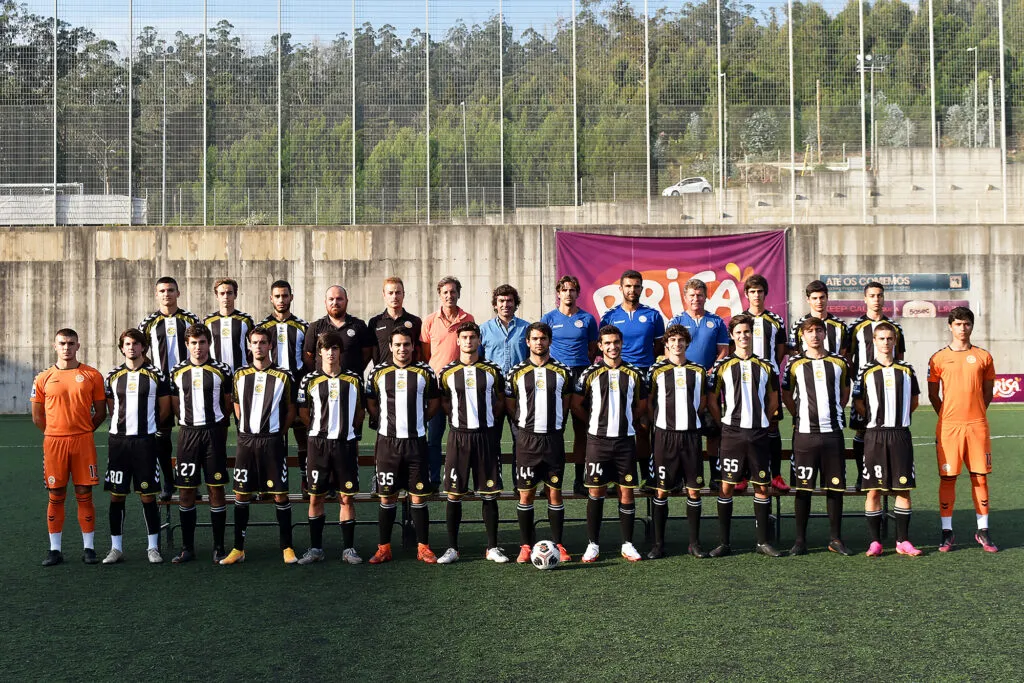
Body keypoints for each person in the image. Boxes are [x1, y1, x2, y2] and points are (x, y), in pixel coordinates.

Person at [706, 314, 782, 557]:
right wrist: (723, 422)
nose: (743, 336)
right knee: (726, 486)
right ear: (732, 335)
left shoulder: (766, 365)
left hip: (758, 433)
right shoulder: (723, 366)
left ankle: (762, 543)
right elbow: (712, 400)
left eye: (746, 332)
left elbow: (773, 399)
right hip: (732, 434)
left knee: (762, 486)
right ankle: (724, 543)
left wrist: (763, 419)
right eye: (738, 332)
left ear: (752, 333)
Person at [220, 327, 298, 565]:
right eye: (254, 342)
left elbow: (291, 410)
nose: (259, 346)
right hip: (246, 441)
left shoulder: (283, 376)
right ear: (249, 345)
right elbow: (236, 405)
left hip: (272, 442)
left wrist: (278, 433)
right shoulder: (240, 375)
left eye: (263, 342)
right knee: (241, 493)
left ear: (270, 345)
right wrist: (246, 428)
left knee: (280, 494)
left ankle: (287, 547)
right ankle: (238, 549)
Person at [571, 325, 647, 563]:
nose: (612, 347)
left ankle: (628, 544)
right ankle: (593, 544)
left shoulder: (634, 373)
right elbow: (576, 404)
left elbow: (642, 405)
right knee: (596, 492)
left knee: (627, 492)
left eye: (616, 342)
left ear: (621, 343)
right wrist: (594, 422)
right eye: (607, 343)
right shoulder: (590, 373)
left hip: (625, 441)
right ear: (600, 346)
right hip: (598, 442)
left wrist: (627, 420)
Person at [365, 328, 441, 564]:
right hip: (387, 444)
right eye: (397, 344)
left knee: (418, 496)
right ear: (390, 347)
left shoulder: (425, 371)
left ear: (413, 346)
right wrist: (386, 422)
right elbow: (371, 403)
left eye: (406, 344)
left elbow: (434, 403)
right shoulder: (378, 372)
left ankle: (423, 547)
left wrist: (418, 421)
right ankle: (384, 548)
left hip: (416, 443)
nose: (402, 349)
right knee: (387, 497)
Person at [31, 329, 107, 566]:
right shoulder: (43, 377)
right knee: (56, 494)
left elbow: (101, 412)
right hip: (54, 443)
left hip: (83, 442)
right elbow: (37, 416)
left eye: (71, 343)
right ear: (55, 346)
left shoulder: (92, 375)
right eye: (62, 343)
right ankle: (55, 550)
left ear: (78, 346)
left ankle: (89, 548)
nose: (67, 347)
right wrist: (55, 433)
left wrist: (83, 431)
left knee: (84, 493)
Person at [780, 317, 854, 556]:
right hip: (805, 435)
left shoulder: (839, 362)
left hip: (832, 433)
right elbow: (787, 394)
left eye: (818, 330)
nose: (814, 335)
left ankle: (835, 539)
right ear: (802, 335)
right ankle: (800, 541)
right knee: (803, 489)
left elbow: (845, 391)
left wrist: (836, 409)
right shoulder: (795, 363)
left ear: (825, 334)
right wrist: (799, 415)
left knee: (835, 488)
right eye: (809, 331)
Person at [436, 322, 508, 564]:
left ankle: (492, 547)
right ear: (458, 341)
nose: (468, 341)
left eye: (472, 337)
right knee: (454, 494)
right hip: (458, 438)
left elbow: (500, 400)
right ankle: (452, 549)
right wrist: (458, 420)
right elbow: (444, 401)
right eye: (464, 337)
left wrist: (487, 419)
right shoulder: (447, 372)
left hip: (485, 437)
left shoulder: (493, 370)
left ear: (479, 340)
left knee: (489, 494)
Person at [927, 307, 997, 552]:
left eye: (966, 323)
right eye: (958, 324)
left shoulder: (983, 356)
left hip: (977, 426)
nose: (962, 328)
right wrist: (947, 417)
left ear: (972, 326)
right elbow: (933, 395)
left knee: (980, 477)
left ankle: (983, 530)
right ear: (950, 326)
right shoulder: (938, 358)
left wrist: (976, 413)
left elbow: (988, 392)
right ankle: (947, 531)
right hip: (949, 428)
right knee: (948, 478)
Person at [102, 329, 172, 564]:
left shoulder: (157, 375)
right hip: (118, 443)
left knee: (148, 496)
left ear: (143, 347)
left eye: (135, 343)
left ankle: (153, 548)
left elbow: (164, 409)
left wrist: (148, 427)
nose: (131, 347)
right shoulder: (113, 375)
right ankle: (116, 548)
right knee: (116, 496)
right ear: (122, 348)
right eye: (127, 344)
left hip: (145, 443)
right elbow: (112, 407)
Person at [505, 322, 573, 563]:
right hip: (527, 441)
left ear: (549, 341)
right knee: (526, 495)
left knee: (555, 493)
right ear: (527, 342)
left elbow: (567, 402)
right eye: (534, 338)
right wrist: (524, 426)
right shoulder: (516, 371)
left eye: (543, 338)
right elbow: (510, 404)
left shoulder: (563, 371)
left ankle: (559, 544)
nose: (539, 342)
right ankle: (525, 546)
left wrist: (557, 423)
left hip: (553, 439)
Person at [296, 331, 366, 565]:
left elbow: (360, 412)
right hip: (318, 446)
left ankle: (348, 550)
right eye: (326, 348)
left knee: (346, 498)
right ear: (319, 352)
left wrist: (347, 430)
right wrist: (321, 430)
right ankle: (316, 549)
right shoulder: (309, 380)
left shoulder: (354, 379)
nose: (330, 353)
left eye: (335, 348)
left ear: (340, 352)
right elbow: (303, 413)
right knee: (316, 497)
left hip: (345, 445)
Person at [852, 322, 921, 557]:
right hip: (875, 436)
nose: (886, 342)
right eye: (881, 338)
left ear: (895, 341)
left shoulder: (907, 369)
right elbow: (858, 402)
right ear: (874, 341)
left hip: (900, 434)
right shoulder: (866, 370)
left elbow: (914, 401)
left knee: (903, 489)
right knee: (873, 490)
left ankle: (903, 541)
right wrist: (875, 418)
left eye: (890, 338)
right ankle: (875, 542)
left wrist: (899, 418)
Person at [166, 323, 233, 564]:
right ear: (187, 344)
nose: (198, 347)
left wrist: (215, 426)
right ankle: (187, 548)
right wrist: (188, 422)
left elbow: (227, 403)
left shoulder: (222, 370)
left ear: (209, 343)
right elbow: (175, 403)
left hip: (213, 434)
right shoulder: (177, 370)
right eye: (193, 343)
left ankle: (218, 547)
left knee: (216, 489)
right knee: (186, 491)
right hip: (188, 435)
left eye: (202, 342)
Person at [646, 325, 709, 559]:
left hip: (691, 437)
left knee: (694, 491)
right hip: (665, 437)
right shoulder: (656, 370)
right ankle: (658, 544)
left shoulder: (698, 370)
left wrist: (690, 419)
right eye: (672, 340)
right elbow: (650, 401)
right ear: (666, 343)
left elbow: (703, 401)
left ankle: (694, 544)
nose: (677, 344)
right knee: (661, 491)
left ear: (687, 343)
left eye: (681, 340)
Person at [138, 276, 201, 500]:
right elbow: (141, 352)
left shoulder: (190, 319)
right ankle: (168, 480)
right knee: (161, 435)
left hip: (187, 384)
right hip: (161, 387)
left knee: (191, 432)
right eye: (163, 291)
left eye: (171, 290)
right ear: (157, 294)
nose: (167, 294)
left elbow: (200, 347)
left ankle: (191, 480)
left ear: (178, 293)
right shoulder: (148, 323)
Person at [600, 270, 664, 486]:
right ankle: (613, 476)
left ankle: (647, 476)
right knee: (615, 424)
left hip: (644, 374)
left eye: (636, 286)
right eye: (628, 286)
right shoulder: (609, 317)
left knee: (644, 426)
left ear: (642, 288)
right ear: (621, 288)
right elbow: (604, 346)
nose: (632, 290)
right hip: (617, 375)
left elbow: (658, 346)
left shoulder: (653, 316)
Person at [668, 278, 729, 490]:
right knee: (683, 431)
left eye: (700, 295)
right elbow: (668, 351)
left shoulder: (716, 321)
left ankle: (715, 475)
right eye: (692, 295)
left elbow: (723, 350)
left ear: (706, 297)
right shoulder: (676, 321)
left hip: (709, 384)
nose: (696, 299)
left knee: (713, 432)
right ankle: (680, 477)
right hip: (683, 384)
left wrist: (711, 370)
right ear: (685, 298)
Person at [541, 275, 599, 495]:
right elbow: (541, 347)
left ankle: (579, 480)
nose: (568, 293)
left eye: (572, 290)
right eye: (564, 290)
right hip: (557, 377)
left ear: (577, 293)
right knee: (554, 430)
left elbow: (593, 349)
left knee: (581, 430)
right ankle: (550, 480)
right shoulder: (549, 318)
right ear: (558, 293)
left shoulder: (587, 319)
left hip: (581, 375)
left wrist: (581, 369)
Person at [255, 280, 311, 497]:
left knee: (303, 436)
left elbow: (308, 360)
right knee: (270, 437)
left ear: (291, 297)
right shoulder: (262, 327)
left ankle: (306, 480)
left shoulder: (302, 326)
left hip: (296, 388)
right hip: (271, 390)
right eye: (277, 296)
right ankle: (268, 482)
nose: (281, 300)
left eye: (285, 295)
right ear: (271, 298)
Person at [848, 281, 906, 490]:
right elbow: (848, 357)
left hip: (889, 388)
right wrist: (858, 382)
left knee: (888, 429)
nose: (876, 299)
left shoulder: (895, 328)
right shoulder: (855, 327)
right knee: (862, 431)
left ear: (884, 298)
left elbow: (900, 357)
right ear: (865, 299)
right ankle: (862, 475)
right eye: (872, 295)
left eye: (880, 295)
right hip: (864, 390)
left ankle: (888, 476)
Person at [420, 276, 474, 487]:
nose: (449, 296)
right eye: (445, 292)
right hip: (436, 389)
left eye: (453, 292)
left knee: (461, 437)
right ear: (439, 295)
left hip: (460, 388)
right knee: (433, 438)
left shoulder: (468, 318)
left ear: (458, 294)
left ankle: (458, 480)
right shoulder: (430, 321)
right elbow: (426, 354)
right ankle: (433, 479)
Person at [741, 274, 789, 492]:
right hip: (745, 380)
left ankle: (775, 474)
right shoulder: (740, 320)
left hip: (769, 381)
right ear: (746, 294)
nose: (756, 295)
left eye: (760, 291)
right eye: (752, 291)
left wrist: (767, 370)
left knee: (772, 425)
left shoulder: (776, 320)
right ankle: (743, 475)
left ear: (765, 293)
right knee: (745, 426)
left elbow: (780, 352)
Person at [480, 284, 530, 481]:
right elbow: (479, 362)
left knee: (521, 439)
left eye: (510, 301)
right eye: (501, 301)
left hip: (519, 393)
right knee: (492, 439)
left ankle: (520, 482)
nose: (505, 304)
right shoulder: (484, 329)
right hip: (493, 393)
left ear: (515, 304)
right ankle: (492, 481)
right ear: (495, 304)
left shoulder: (526, 328)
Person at [303, 285, 373, 375]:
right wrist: (320, 374)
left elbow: (367, 354)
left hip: (351, 381)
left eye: (339, 299)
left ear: (346, 301)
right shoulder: (315, 327)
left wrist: (354, 371)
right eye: (331, 299)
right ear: (325, 302)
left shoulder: (359, 325)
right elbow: (308, 357)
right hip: (322, 381)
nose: (335, 302)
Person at [367, 276, 423, 366]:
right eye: (390, 293)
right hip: (383, 372)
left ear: (403, 294)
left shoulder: (415, 321)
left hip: (410, 371)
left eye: (398, 293)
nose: (394, 296)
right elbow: (369, 352)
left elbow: (420, 352)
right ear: (384, 295)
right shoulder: (375, 322)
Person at [204, 278, 255, 372]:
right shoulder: (208, 321)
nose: (226, 296)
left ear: (235, 295)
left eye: (229, 293)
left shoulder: (245, 319)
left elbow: (256, 343)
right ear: (217, 296)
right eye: (222, 293)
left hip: (240, 372)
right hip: (215, 372)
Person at [788, 280, 850, 357]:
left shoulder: (841, 325)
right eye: (814, 298)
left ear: (827, 297)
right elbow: (793, 353)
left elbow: (845, 353)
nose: (819, 301)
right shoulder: (798, 325)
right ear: (808, 300)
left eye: (822, 297)